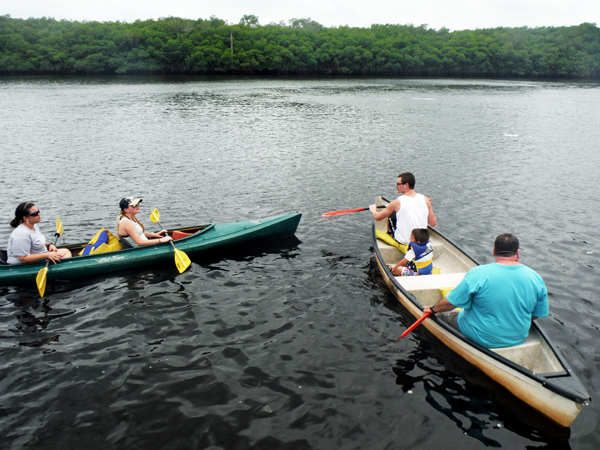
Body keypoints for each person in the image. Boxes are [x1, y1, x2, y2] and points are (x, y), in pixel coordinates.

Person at [423, 234, 549, 349]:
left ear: (494, 251)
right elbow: (537, 314)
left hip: (481, 336)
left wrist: (433, 309)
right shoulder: (536, 278)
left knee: (443, 315)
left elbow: (450, 304)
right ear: (518, 253)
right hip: (518, 338)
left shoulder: (479, 273)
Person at [369, 172, 436, 248]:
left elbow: (377, 217)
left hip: (404, 241)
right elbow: (433, 223)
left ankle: (389, 233)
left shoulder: (397, 202)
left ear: (406, 185)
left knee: (392, 214)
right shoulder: (426, 199)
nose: (396, 186)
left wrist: (373, 209)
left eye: (398, 184)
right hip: (422, 241)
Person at [6, 202, 72, 264]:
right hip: (24, 265)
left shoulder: (34, 225)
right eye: (35, 214)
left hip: (41, 257)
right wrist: (46, 255)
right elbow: (23, 259)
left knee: (65, 251)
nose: (39, 214)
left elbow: (35, 242)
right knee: (65, 255)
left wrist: (49, 245)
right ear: (25, 218)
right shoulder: (21, 234)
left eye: (38, 211)